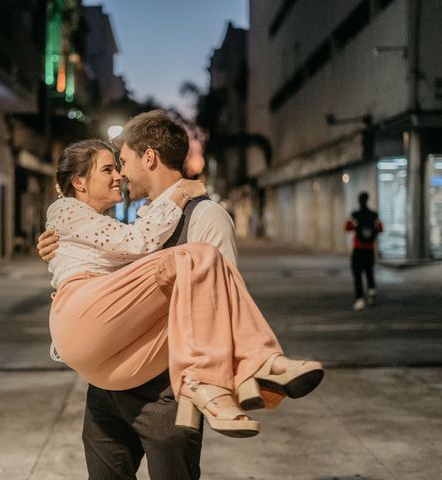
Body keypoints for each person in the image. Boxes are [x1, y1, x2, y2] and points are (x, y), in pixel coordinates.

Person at [42, 112, 324, 479]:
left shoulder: (205, 215)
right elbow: (116, 264)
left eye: (122, 162)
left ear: (149, 158)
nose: (121, 174)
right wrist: (57, 248)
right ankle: (263, 365)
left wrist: (195, 394)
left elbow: (224, 301)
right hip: (109, 386)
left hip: (165, 392)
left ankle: (254, 368)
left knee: (200, 261)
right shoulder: (139, 221)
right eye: (110, 168)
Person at [345, 192, 383, 311]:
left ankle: (359, 299)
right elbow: (380, 228)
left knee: (357, 275)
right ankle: (371, 292)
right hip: (369, 249)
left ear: (359, 200)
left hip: (358, 249)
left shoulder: (354, 214)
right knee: (369, 271)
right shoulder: (374, 215)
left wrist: (356, 227)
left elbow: (347, 227)